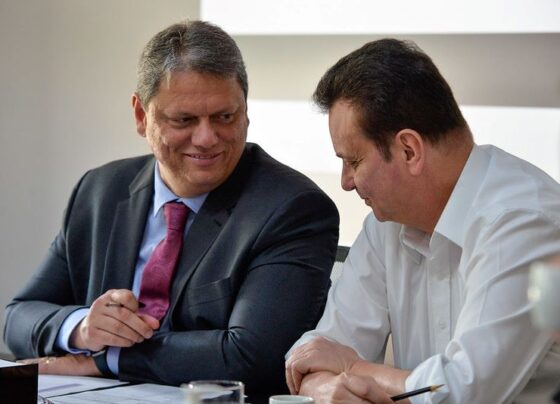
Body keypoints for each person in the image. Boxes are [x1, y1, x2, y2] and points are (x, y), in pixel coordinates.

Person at [3, 20, 339, 398]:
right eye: (184, 120)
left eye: (225, 117)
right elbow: (17, 317)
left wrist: (106, 359)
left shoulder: (292, 208)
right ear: (141, 116)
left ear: (246, 110)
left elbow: (253, 356)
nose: (207, 138)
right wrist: (83, 328)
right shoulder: (100, 190)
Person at [285, 38, 560, 403]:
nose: (346, 182)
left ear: (409, 150)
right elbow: (317, 352)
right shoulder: (385, 224)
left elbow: (462, 393)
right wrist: (323, 385)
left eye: (354, 161)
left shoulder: (522, 220)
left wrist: (351, 368)